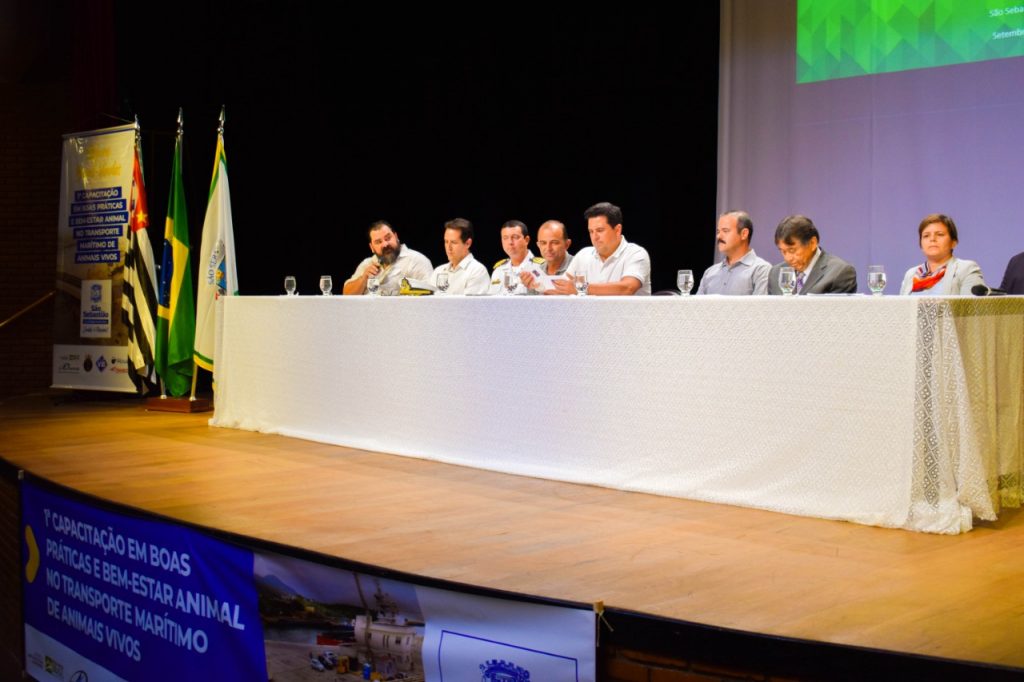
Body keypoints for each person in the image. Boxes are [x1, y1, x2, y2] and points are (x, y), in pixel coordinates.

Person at [554, 202, 651, 295]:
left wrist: (581, 288)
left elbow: (627, 288)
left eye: (600, 230)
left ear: (617, 230)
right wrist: (541, 285)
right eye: (591, 231)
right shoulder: (583, 255)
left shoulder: (636, 254)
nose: (594, 237)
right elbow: (562, 287)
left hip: (628, 312)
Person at [767, 215, 857, 295]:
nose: (788, 258)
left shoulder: (839, 272)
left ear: (812, 243)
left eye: (792, 250)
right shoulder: (776, 273)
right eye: (783, 251)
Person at [899, 214, 985, 295]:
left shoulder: (966, 269)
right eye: (926, 236)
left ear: (953, 242)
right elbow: (901, 308)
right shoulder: (911, 274)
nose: (932, 239)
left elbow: (972, 309)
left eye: (939, 234)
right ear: (921, 244)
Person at [342, 220, 433, 295]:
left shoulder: (417, 261)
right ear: (372, 247)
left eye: (388, 238)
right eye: (378, 242)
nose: (385, 244)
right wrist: (364, 279)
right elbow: (346, 295)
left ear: (396, 236)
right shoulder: (367, 264)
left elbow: (430, 296)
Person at [696, 210, 771, 295]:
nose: (718, 236)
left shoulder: (761, 270)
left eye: (725, 231)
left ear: (744, 234)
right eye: (718, 231)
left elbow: (761, 307)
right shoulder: (709, 272)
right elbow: (697, 307)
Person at [431, 218, 490, 295]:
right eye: (446, 242)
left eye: (454, 242)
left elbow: (471, 306)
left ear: (468, 243)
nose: (448, 248)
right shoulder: (438, 271)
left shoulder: (477, 271)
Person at [490, 220, 544, 295]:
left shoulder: (542, 267)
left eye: (515, 237)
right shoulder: (498, 270)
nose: (510, 242)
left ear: (526, 240)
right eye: (505, 238)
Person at [520, 220, 573, 293]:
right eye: (543, 243)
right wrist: (530, 289)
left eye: (554, 243)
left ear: (567, 244)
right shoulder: (535, 273)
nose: (548, 248)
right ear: (538, 245)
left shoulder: (579, 266)